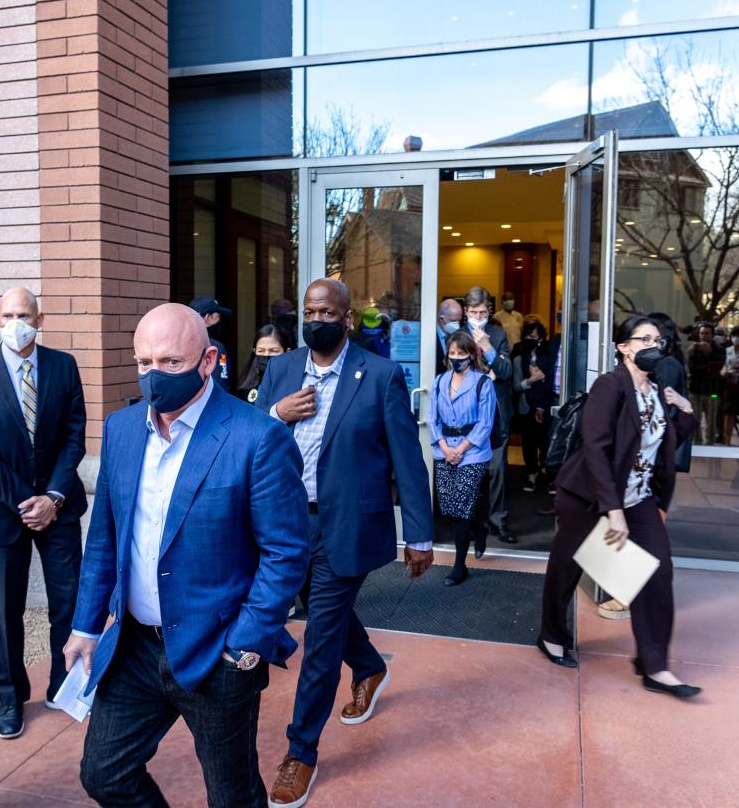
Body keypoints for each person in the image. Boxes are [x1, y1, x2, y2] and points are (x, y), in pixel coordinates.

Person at [64, 303, 309, 808]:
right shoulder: (122, 429)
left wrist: (245, 642)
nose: (155, 376)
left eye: (170, 362)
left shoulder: (257, 436)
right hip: (135, 646)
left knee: (232, 794)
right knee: (105, 775)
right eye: (144, 363)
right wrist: (86, 626)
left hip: (217, 651)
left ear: (208, 360)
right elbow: (105, 537)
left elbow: (285, 552)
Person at [254, 278, 434, 808]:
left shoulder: (379, 376)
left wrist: (419, 533)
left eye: (327, 312)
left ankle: (301, 753)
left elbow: (406, 456)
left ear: (347, 319)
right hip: (285, 525)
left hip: (346, 526)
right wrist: (275, 415)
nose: (317, 319)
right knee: (327, 616)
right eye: (309, 311)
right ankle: (373, 666)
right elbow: (248, 437)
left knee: (321, 639)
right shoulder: (281, 370)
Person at [537, 315, 701, 699]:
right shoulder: (610, 385)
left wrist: (686, 411)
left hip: (638, 498)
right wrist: (613, 512)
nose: (652, 345)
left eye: (657, 339)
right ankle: (551, 635)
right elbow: (595, 448)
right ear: (623, 347)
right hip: (587, 497)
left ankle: (655, 666)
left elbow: (665, 441)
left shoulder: (659, 391)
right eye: (643, 339)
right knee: (568, 565)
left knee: (657, 573)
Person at [0, 287, 88, 740]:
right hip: (1, 512)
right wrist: (25, 503)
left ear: (40, 318)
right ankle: (10, 699)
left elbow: (74, 437)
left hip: (60, 509)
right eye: (9, 314)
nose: (17, 321)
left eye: (24, 314)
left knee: (67, 604)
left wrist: (52, 497)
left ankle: (65, 684)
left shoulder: (63, 365)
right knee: (5, 610)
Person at [430, 330, 497, 585]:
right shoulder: (439, 381)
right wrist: (446, 448)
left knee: (460, 505)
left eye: (461, 353)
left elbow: (485, 423)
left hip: (473, 452)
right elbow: (433, 418)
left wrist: (461, 450)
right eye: (452, 353)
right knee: (450, 505)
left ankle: (460, 566)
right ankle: (479, 528)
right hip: (444, 449)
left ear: (471, 354)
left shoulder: (483, 383)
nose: (456, 357)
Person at [463, 287, 513, 541]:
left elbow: (506, 371)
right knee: (469, 469)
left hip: (496, 413)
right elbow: (450, 371)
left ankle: (498, 521)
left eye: (482, 312)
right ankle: (470, 523)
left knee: (497, 469)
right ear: (466, 312)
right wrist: (481, 378)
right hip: (466, 415)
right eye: (473, 312)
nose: (478, 316)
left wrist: (488, 348)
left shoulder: (498, 334)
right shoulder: (458, 335)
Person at [513, 316, 555, 498]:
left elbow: (553, 382)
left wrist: (543, 379)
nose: (534, 342)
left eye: (537, 338)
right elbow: (515, 387)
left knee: (546, 442)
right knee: (528, 443)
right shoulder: (517, 359)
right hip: (525, 407)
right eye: (530, 338)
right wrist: (530, 380)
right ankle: (532, 474)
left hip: (545, 405)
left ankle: (548, 472)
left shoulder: (548, 357)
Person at [686, 323, 724, 445]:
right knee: (695, 420)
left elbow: (717, 367)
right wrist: (706, 368)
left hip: (712, 392)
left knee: (711, 420)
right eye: (702, 333)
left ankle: (710, 443)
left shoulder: (719, 349)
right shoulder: (693, 349)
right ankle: (697, 443)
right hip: (695, 390)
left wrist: (708, 354)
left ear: (712, 335)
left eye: (707, 333)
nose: (704, 336)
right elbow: (692, 368)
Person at [239, 324, 294, 404]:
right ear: (255, 351)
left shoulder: (295, 384)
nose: (266, 355)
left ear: (287, 351)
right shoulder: (247, 385)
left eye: (273, 351)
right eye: (261, 351)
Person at [191, 296, 233, 389]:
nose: (220, 321)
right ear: (208, 318)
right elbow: (221, 384)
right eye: (218, 317)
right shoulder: (216, 347)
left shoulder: (180, 343)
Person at [435, 297, 462, 374]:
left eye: (459, 321)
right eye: (453, 321)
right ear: (441, 319)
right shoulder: (429, 336)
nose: (457, 325)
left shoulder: (460, 335)